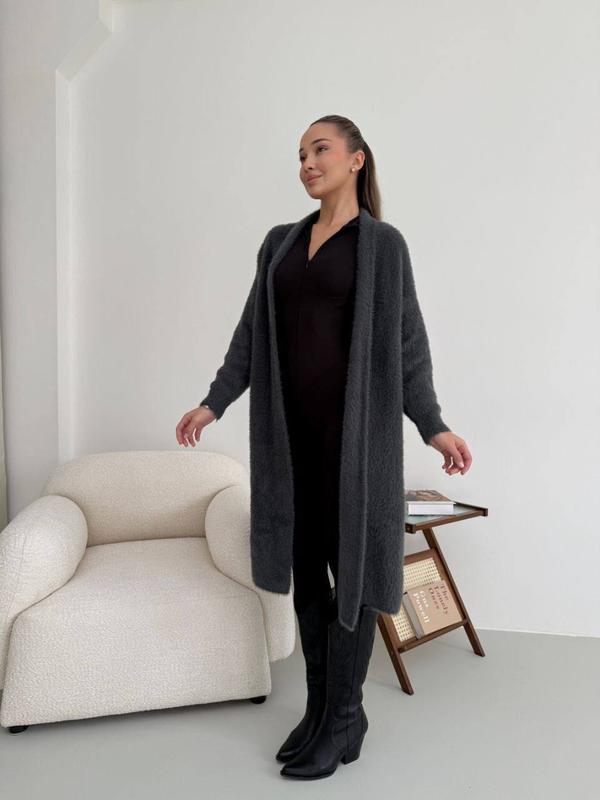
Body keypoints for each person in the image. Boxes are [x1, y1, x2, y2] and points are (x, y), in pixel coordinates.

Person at [175, 115, 472, 780]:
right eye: (301, 154)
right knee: (308, 575)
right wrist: (213, 401)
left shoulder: (382, 246)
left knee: (354, 578)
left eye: (321, 150)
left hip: (356, 451)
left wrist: (433, 425)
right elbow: (250, 335)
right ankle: (321, 711)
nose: (307, 163)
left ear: (356, 159)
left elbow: (408, 343)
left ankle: (344, 716)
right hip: (289, 448)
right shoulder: (279, 244)